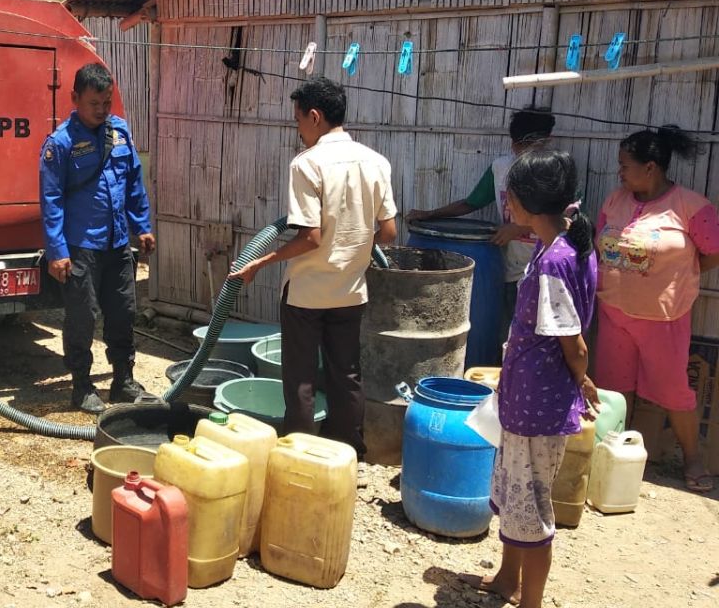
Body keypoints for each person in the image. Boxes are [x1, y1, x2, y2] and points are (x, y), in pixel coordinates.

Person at [229, 77, 397, 479]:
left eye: (298, 121)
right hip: (351, 292)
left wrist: (261, 262)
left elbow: (310, 238)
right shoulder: (376, 161)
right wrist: (356, 250)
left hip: (306, 295)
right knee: (347, 375)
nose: (298, 131)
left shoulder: (306, 164)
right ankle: (348, 457)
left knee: (301, 380)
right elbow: (388, 233)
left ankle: (299, 461)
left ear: (315, 117)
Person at [473, 149, 598, 608]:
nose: (505, 199)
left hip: (539, 406)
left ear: (522, 203)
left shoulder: (554, 261)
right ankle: (508, 579)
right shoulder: (560, 245)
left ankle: (532, 601)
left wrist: (582, 380)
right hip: (524, 397)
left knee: (533, 508)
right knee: (513, 496)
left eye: (509, 193)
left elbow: (574, 343)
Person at [594, 126, 719, 492]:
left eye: (625, 165)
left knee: (674, 392)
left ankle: (692, 459)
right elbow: (601, 243)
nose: (619, 172)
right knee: (612, 390)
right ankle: (609, 458)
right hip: (614, 313)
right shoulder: (615, 200)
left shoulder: (691, 207)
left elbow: (712, 252)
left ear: (650, 168)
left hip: (663, 319)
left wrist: (684, 271)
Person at [40, 63, 156, 414]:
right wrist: (57, 252)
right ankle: (82, 386)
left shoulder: (119, 132)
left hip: (117, 243)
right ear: (75, 98)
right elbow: (51, 199)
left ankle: (123, 380)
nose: (103, 110)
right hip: (80, 248)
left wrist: (143, 225)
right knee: (83, 318)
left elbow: (134, 182)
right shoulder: (60, 143)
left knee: (123, 313)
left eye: (107, 102)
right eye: (95, 103)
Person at [406, 108, 557, 364]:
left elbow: (566, 218)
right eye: (532, 144)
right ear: (516, 143)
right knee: (509, 334)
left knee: (541, 338)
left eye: (543, 143)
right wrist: (431, 214)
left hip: (546, 265)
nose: (539, 149)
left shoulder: (556, 168)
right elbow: (471, 202)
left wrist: (518, 229)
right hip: (510, 267)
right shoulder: (501, 169)